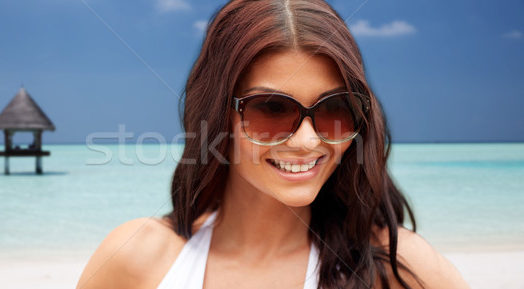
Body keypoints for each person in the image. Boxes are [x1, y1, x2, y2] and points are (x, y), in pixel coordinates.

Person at [77, 0, 469, 288]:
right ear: (216, 117)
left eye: (336, 108)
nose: (308, 140)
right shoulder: (136, 260)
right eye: (271, 109)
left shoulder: (397, 269)